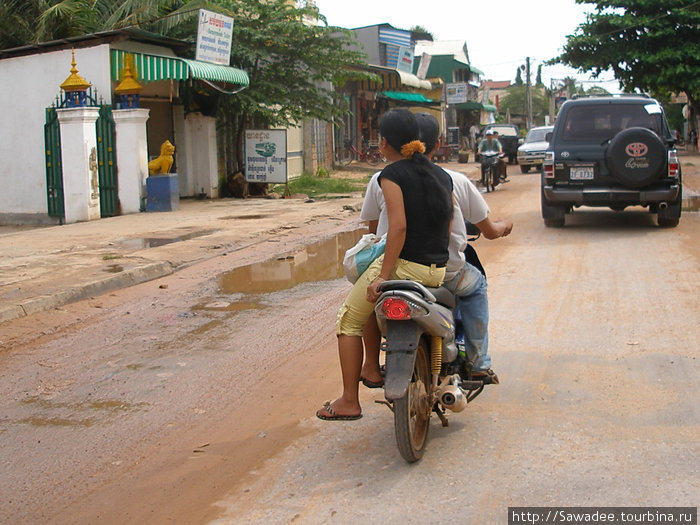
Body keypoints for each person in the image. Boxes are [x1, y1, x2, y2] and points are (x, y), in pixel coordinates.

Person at [316, 109, 454, 421]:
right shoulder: (441, 176)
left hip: (406, 265)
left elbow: (399, 227)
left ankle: (349, 400)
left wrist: (385, 276)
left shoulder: (390, 176)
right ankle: (373, 372)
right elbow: (447, 225)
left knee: (347, 321)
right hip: (437, 270)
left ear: (384, 143)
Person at [359, 113, 513, 389]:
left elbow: (374, 233)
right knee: (475, 286)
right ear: (437, 143)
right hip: (442, 270)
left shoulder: (381, 178)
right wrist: (504, 226)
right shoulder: (452, 178)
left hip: (394, 269)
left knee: (367, 294)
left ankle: (370, 364)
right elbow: (489, 230)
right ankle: (479, 363)